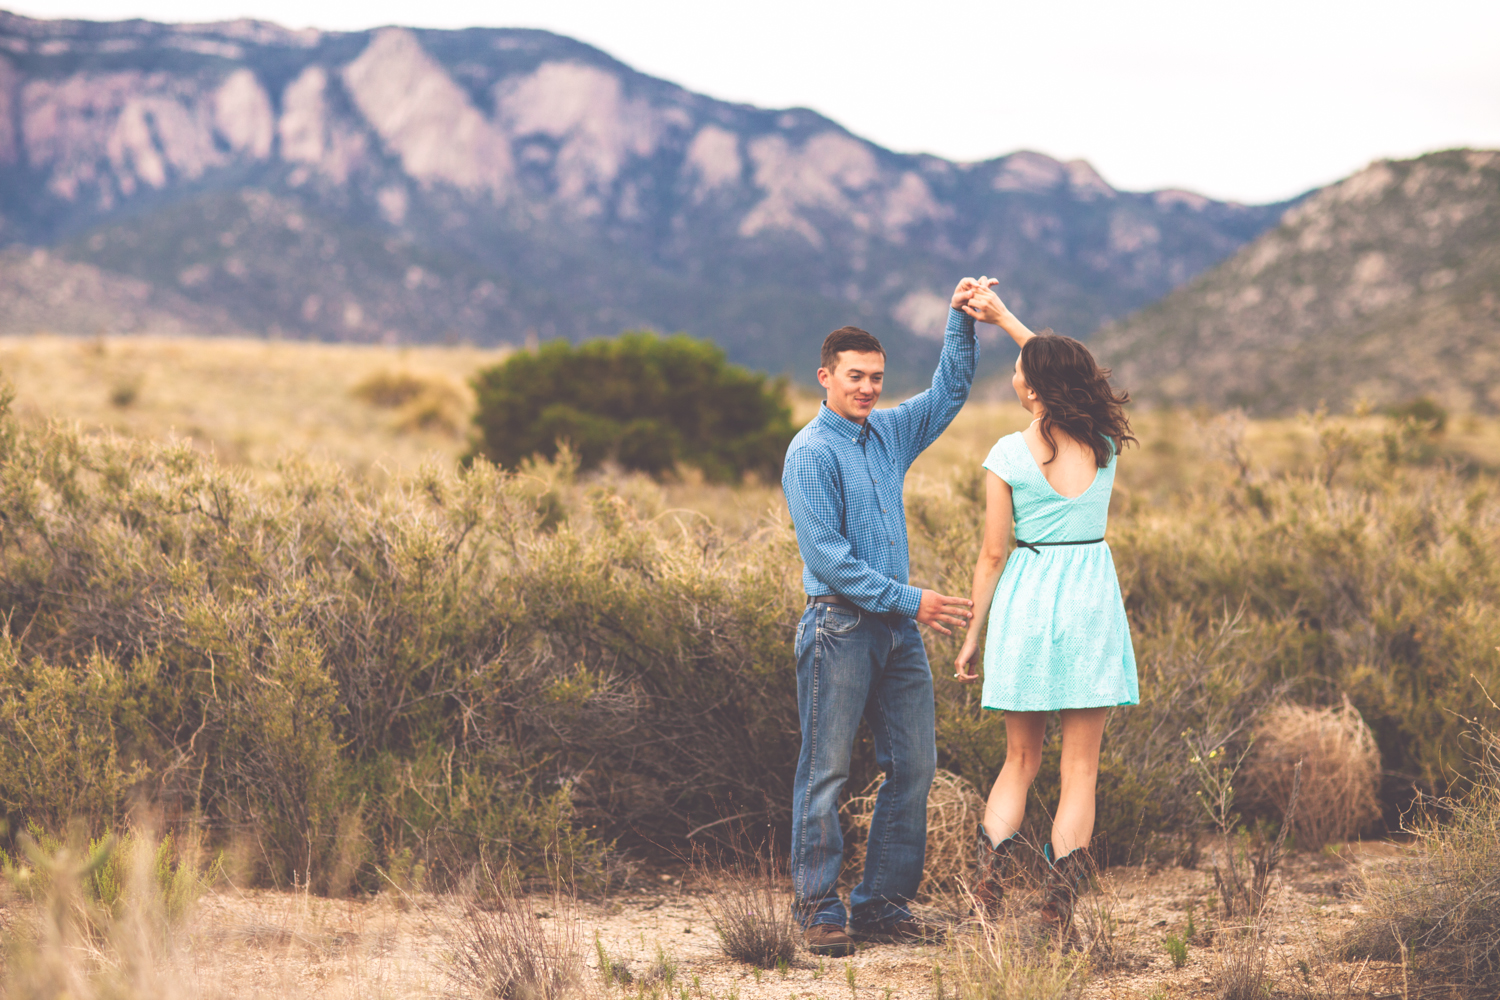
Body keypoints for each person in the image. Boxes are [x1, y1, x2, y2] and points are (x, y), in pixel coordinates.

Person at [781, 278, 983, 956]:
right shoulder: (811, 452)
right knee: (826, 771)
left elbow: (950, 393)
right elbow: (831, 561)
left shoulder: (889, 434)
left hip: (896, 635)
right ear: (826, 377)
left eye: (875, 378)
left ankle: (881, 907)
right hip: (839, 627)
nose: (867, 388)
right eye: (855, 377)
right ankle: (818, 909)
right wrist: (915, 601)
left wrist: (959, 321)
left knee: (915, 766)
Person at [953, 280, 1138, 934]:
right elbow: (1068, 371)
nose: (1014, 372)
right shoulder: (1105, 444)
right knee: (1079, 767)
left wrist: (975, 634)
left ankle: (987, 886)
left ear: (1031, 388)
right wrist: (1005, 320)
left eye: (1018, 370)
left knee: (1019, 761)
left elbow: (991, 556)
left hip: (1027, 604)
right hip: (1089, 603)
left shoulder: (1007, 453)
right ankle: (1058, 908)